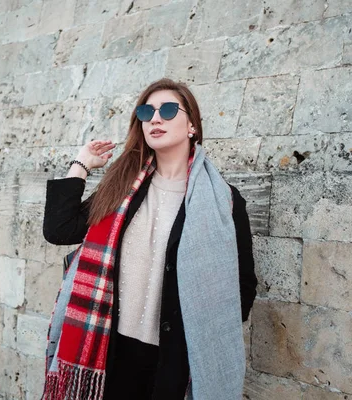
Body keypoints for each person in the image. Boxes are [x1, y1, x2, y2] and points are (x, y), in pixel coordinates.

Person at [42, 78, 257, 400]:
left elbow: (243, 286)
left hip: (173, 359)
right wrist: (81, 164)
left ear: (192, 126)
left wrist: (201, 326)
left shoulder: (224, 201)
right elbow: (60, 230)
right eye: (147, 111)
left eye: (168, 110)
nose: (155, 118)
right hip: (109, 349)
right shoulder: (121, 188)